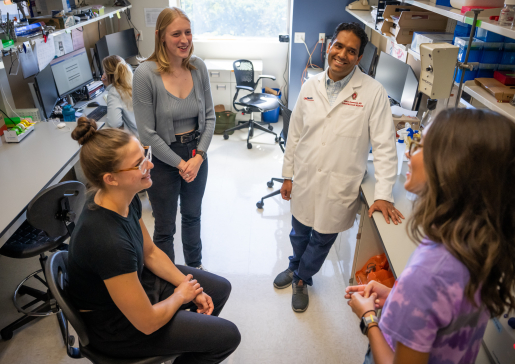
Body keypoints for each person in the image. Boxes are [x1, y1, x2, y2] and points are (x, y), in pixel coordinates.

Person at [346, 108, 515, 364]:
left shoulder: (428, 273)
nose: (407, 152)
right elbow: (444, 309)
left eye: (419, 146)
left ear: (452, 168)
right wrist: (398, 296)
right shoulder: (479, 245)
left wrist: (368, 318)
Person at [67, 117, 240, 363]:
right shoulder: (108, 241)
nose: (150, 165)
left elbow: (150, 253)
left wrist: (189, 287)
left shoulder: (124, 197)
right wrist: (181, 294)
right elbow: (146, 322)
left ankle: (190, 343)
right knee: (228, 336)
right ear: (110, 178)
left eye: (145, 156)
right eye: (139, 164)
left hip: (137, 284)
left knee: (218, 289)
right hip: (119, 327)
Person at [274, 22, 402, 312]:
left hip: (339, 183)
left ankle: (302, 278)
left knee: (321, 239)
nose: (342, 54)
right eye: (339, 46)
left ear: (359, 57)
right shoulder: (310, 86)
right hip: (305, 178)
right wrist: (287, 175)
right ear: (329, 46)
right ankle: (295, 266)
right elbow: (294, 135)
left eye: (351, 51)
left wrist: (383, 193)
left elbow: (384, 145)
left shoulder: (373, 92)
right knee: (298, 232)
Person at [133, 7, 215, 269]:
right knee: (165, 226)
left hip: (196, 155)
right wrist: (181, 165)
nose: (184, 40)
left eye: (188, 32)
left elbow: (210, 117)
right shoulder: (145, 74)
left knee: (193, 218)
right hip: (162, 158)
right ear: (160, 37)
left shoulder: (198, 67)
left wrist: (198, 157)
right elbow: (147, 134)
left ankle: (196, 270)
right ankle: (169, 281)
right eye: (176, 33)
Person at [101, 55, 139, 136]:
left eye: (104, 71)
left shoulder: (115, 91)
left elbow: (114, 123)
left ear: (109, 75)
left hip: (136, 140)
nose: (103, 75)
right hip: (146, 135)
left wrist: (109, 87)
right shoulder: (134, 82)